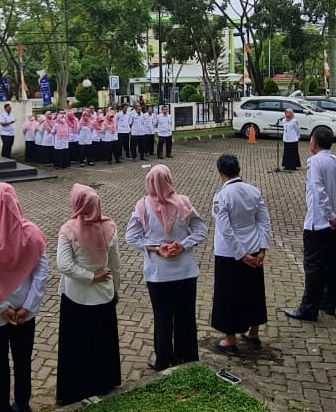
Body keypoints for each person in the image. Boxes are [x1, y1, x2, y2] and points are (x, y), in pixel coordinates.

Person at [126, 165, 207, 369]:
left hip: (158, 274)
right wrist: (183, 245)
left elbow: (132, 237)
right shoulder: (183, 203)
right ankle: (187, 357)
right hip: (185, 271)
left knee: (162, 318)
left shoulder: (142, 206)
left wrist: (156, 248)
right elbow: (201, 230)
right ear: (170, 180)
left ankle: (163, 359)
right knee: (185, 316)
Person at [0, 184, 48, 412]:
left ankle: (1, 406)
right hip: (24, 312)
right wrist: (28, 306)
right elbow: (41, 272)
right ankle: (22, 403)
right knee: (23, 360)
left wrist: (1, 307)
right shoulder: (33, 233)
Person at [56, 184, 122, 405]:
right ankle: (104, 382)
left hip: (77, 296)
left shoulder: (68, 230)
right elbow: (115, 264)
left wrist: (88, 276)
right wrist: (115, 288)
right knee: (102, 341)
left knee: (77, 344)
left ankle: (76, 388)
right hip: (103, 294)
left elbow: (64, 265)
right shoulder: (110, 227)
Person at [284, 128, 336, 321]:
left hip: (319, 223)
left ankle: (309, 308)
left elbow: (319, 192)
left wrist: (332, 216)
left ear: (314, 142)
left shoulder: (315, 162)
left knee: (314, 266)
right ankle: (328, 303)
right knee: (333, 265)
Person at [209, 154, 270, 354]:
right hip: (253, 247)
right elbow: (264, 220)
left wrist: (241, 254)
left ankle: (230, 340)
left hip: (230, 253)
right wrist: (262, 248)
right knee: (253, 292)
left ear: (221, 173)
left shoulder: (222, 196)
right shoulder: (254, 191)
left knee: (228, 295)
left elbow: (226, 230)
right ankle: (254, 332)